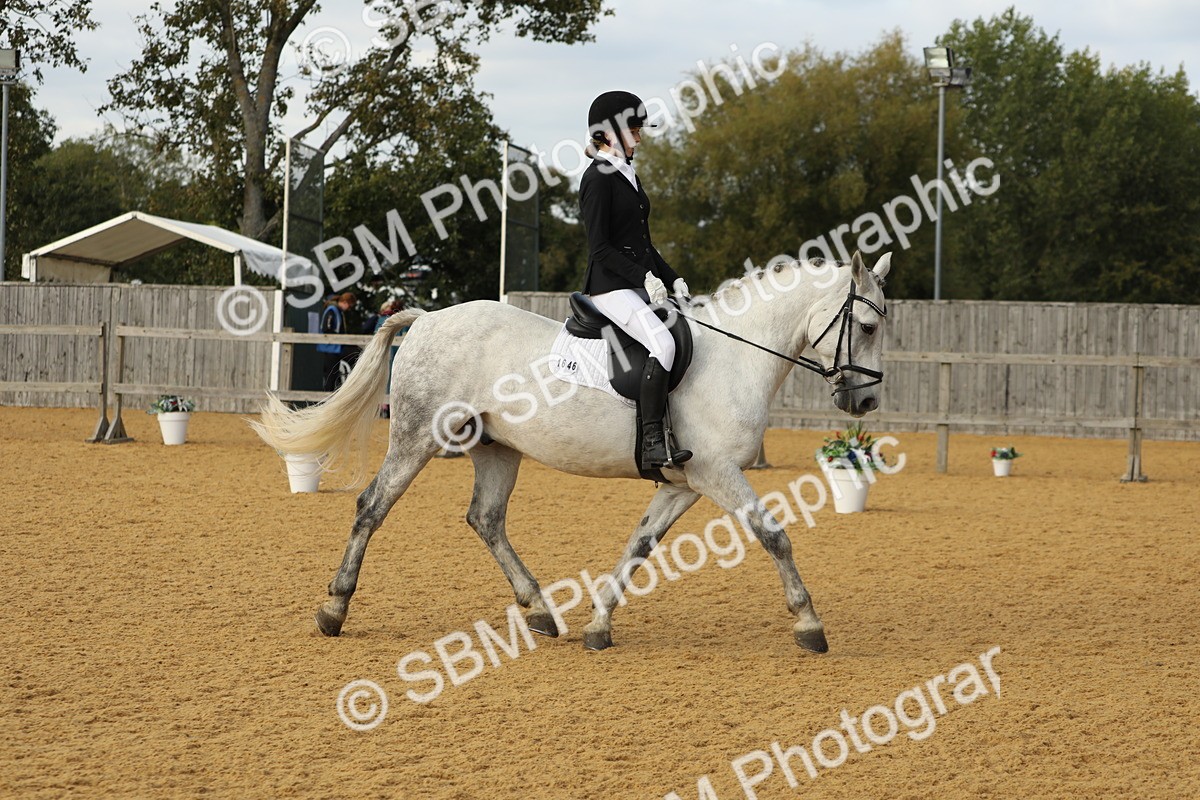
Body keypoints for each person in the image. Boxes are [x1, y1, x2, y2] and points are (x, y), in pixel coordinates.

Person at [579, 90, 692, 470]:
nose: (640, 137)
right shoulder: (597, 178)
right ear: (610, 132)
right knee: (662, 344)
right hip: (609, 286)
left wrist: (672, 278)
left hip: (637, 281)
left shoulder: (628, 174)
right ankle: (651, 443)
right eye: (633, 129)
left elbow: (643, 244)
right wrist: (641, 276)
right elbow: (600, 248)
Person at [318, 292, 357, 392]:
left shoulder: (338, 311)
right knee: (330, 375)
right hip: (331, 347)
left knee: (334, 373)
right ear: (344, 302)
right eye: (349, 305)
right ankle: (328, 396)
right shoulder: (332, 310)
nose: (349, 308)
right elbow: (328, 327)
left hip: (336, 347)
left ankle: (336, 391)